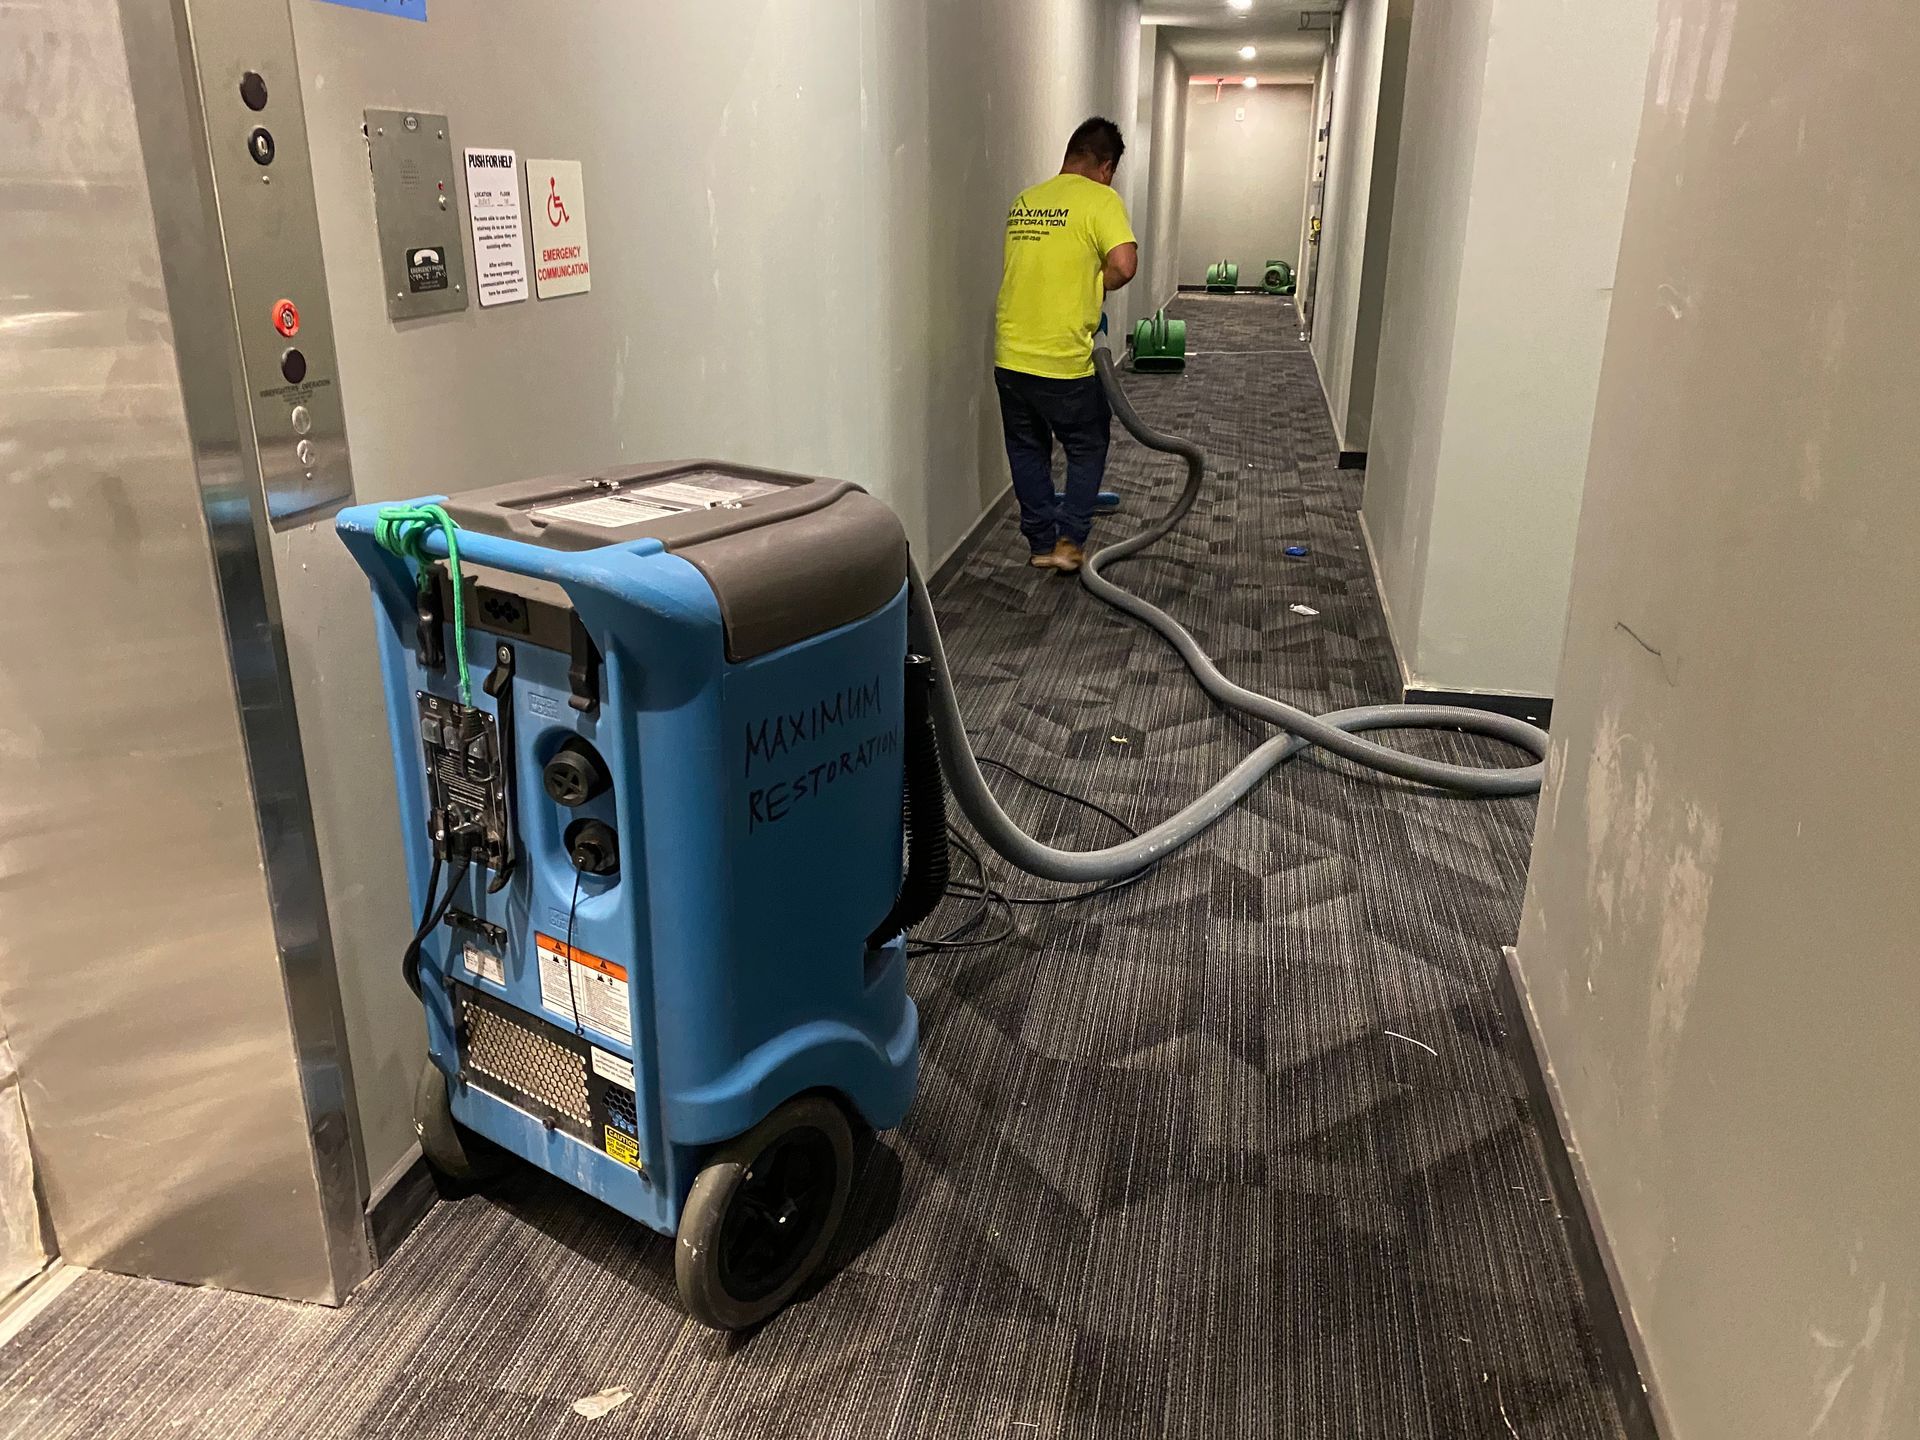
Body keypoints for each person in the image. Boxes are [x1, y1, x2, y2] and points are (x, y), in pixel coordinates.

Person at [992, 116, 1139, 574]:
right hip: (1063, 358)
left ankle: (1040, 543)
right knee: (1087, 442)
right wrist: (1099, 287)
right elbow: (1124, 264)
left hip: (1011, 353)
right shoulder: (1101, 198)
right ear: (1106, 166)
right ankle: (1070, 540)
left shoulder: (1026, 200)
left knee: (1026, 447)